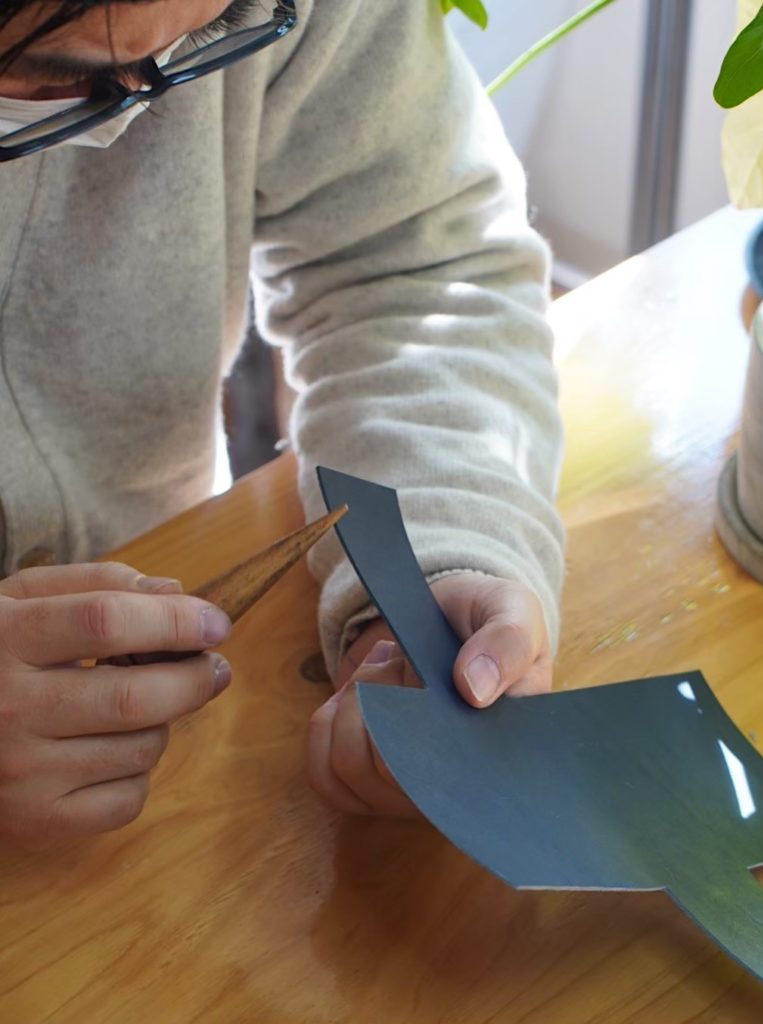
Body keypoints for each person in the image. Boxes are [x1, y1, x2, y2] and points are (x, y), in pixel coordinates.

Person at [0, 0, 564, 845]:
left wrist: (439, 548)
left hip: (172, 695)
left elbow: (407, 265)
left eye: (216, 30)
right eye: (63, 78)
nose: (142, 113)